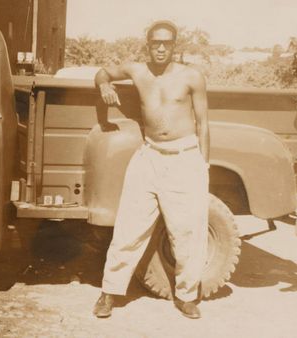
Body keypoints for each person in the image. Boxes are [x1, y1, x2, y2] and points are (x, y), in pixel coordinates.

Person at [93, 20, 210, 319]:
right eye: (155, 43)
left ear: (174, 45)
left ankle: (186, 296)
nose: (161, 48)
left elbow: (203, 123)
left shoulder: (192, 77)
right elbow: (102, 72)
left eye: (166, 43)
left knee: (186, 232)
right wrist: (105, 84)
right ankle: (109, 292)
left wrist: (202, 166)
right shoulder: (137, 71)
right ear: (147, 45)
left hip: (184, 157)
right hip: (149, 156)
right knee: (129, 227)